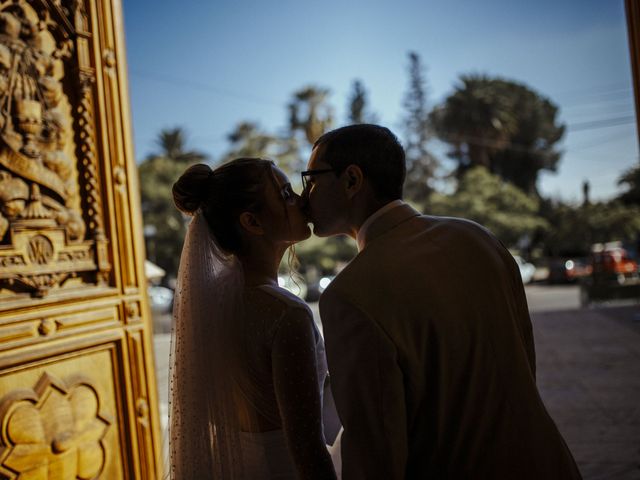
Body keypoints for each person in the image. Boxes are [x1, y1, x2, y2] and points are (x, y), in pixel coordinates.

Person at [302, 124, 582, 479]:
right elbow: (523, 364)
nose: (304, 196)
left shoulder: (349, 294)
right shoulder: (478, 238)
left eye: (311, 179)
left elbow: (376, 452)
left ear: (352, 180)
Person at [170, 158, 336, 480]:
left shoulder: (214, 303)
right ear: (252, 221)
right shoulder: (286, 315)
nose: (302, 200)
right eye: (286, 194)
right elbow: (307, 447)